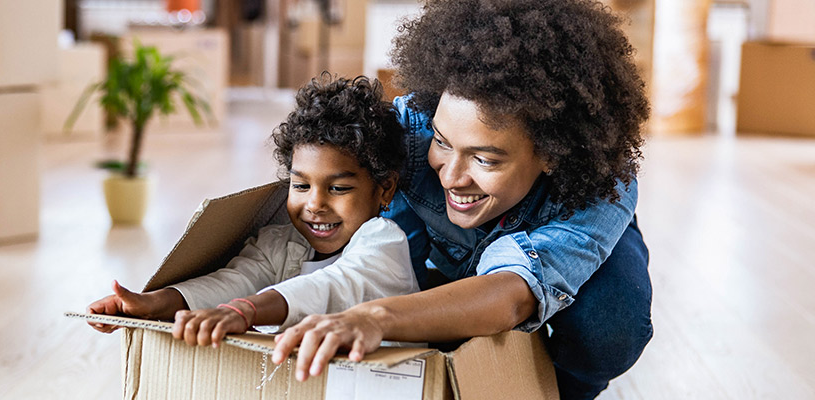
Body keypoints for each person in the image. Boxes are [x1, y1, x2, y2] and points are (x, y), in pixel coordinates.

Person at [269, 1, 652, 399]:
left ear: (552, 153)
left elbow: (511, 295)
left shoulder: (601, 190)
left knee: (610, 322)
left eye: (484, 159)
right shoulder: (408, 129)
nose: (450, 177)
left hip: (546, 261)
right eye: (442, 141)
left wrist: (375, 317)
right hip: (442, 263)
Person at [87, 75, 422, 346]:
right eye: (301, 186)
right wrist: (153, 303)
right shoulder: (279, 245)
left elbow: (331, 286)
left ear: (384, 189)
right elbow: (234, 281)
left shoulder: (384, 243)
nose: (315, 205)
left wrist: (246, 310)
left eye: (338, 188)